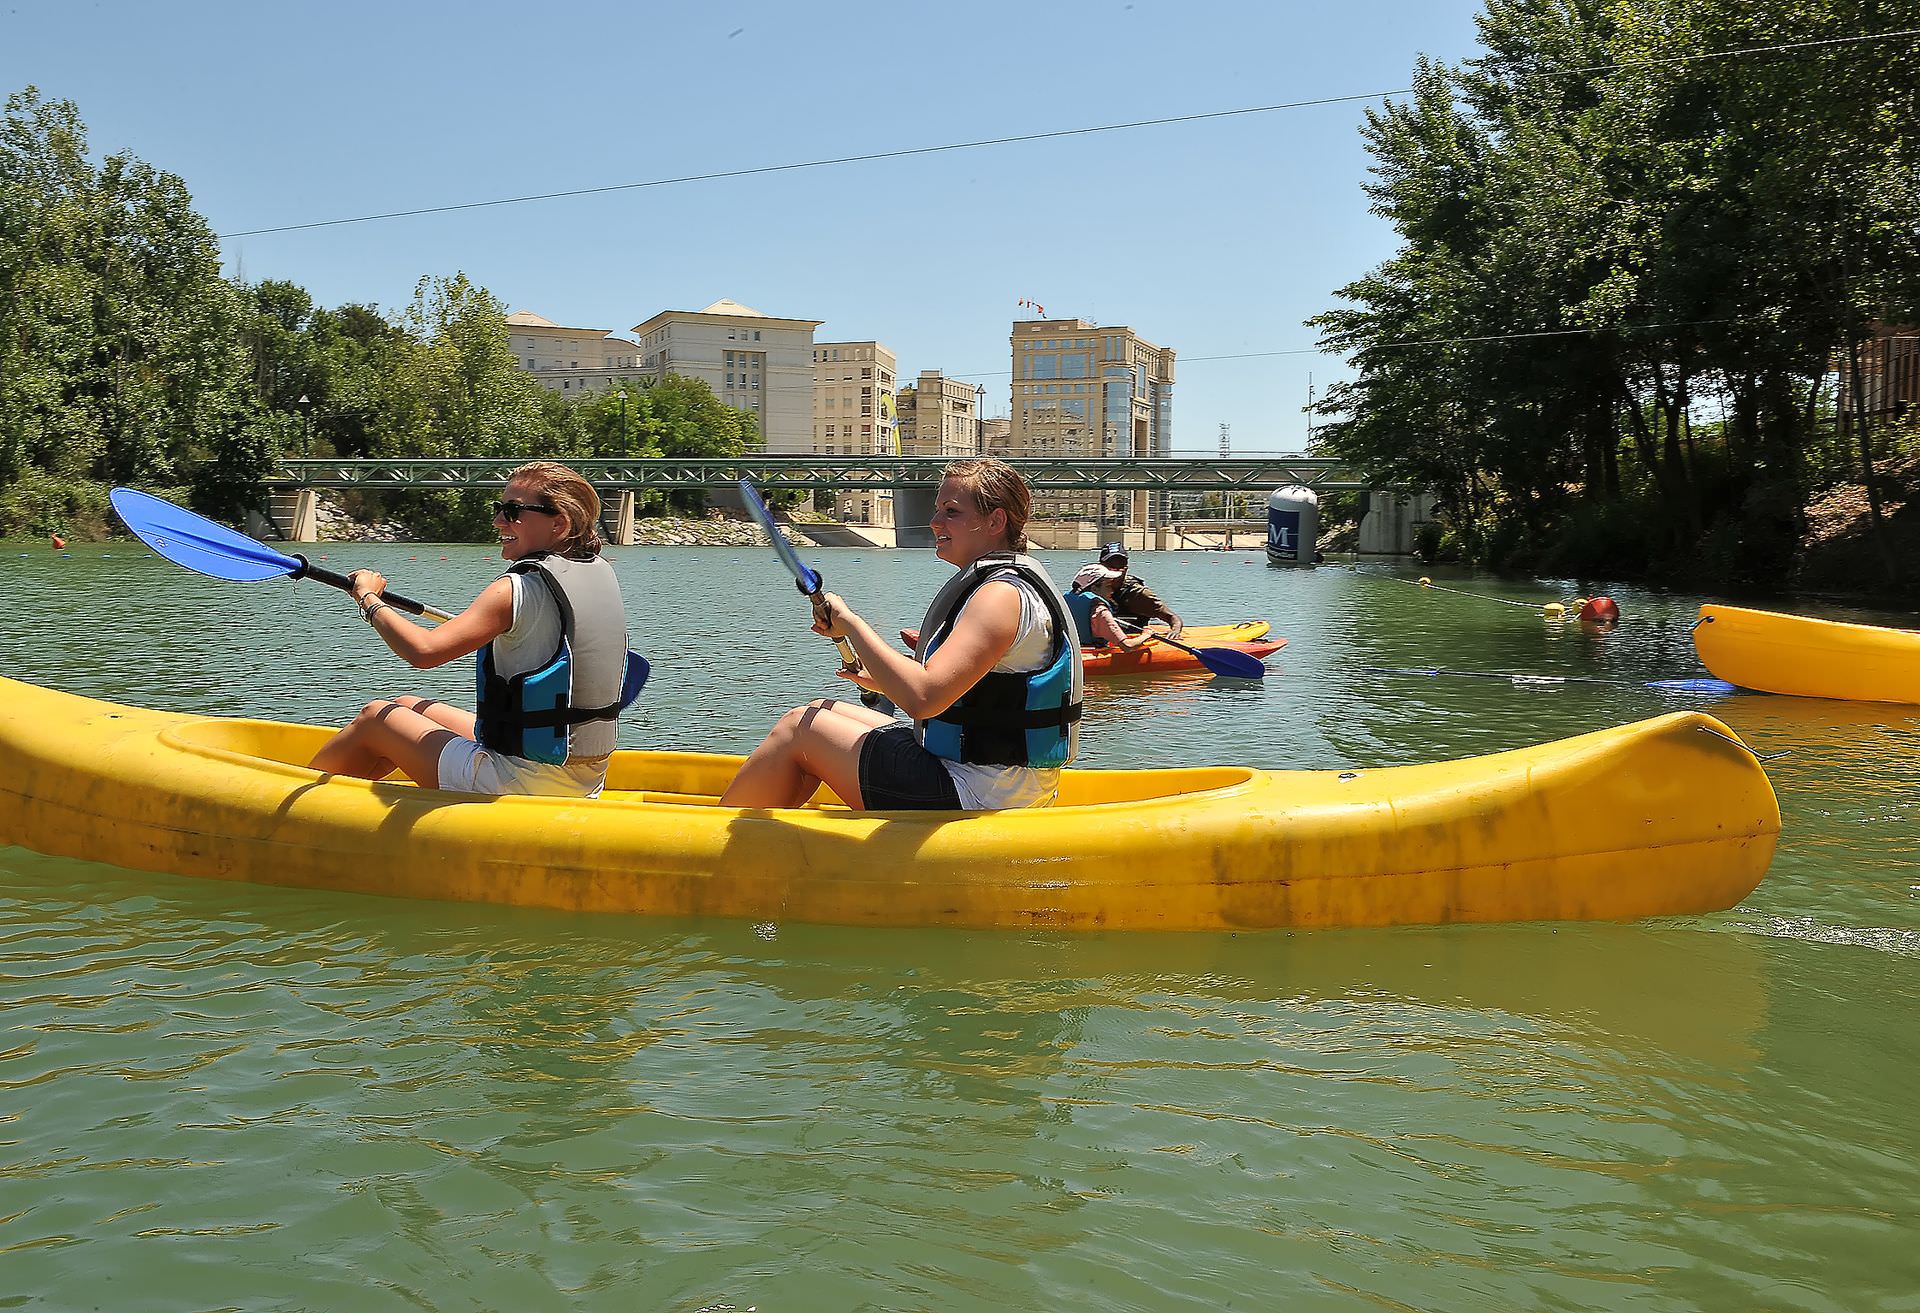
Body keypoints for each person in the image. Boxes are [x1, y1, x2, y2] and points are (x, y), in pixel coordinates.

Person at [721, 458, 1083, 812]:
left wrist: (852, 624)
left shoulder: (999, 596)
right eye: (937, 508)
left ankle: (716, 844)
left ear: (995, 520)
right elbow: (975, 691)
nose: (935, 521)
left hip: (977, 790)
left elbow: (923, 698)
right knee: (820, 710)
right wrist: (880, 677)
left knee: (800, 728)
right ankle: (767, 833)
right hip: (997, 781)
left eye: (951, 511)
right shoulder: (1006, 585)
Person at [307, 461, 645, 796]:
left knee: (376, 717)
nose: (498, 520)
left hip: (519, 780)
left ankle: (296, 812)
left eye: (513, 511)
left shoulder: (514, 588)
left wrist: (368, 598)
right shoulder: (599, 572)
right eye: (500, 508)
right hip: (584, 776)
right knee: (410, 706)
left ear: (559, 523)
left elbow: (423, 652)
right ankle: (357, 807)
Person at [1096, 542, 1183, 639]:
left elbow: (1173, 618)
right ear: (1100, 566)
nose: (1117, 570)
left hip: (1129, 640)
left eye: (1121, 565)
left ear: (1126, 568)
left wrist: (1175, 631)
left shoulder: (1137, 593)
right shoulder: (1091, 586)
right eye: (1111, 565)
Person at [1063, 562, 1152, 652]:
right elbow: (1127, 646)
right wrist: (1146, 635)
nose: (1112, 590)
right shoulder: (1100, 611)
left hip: (1072, 650)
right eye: (1108, 586)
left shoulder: (1065, 602)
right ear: (1094, 588)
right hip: (1092, 656)